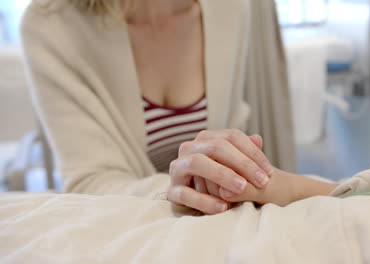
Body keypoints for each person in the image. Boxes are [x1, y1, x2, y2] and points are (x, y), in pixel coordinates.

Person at [22, 0, 337, 215]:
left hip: (215, 227)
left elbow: (230, 127)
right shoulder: (50, 25)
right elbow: (91, 182)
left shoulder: (229, 7)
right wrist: (180, 190)